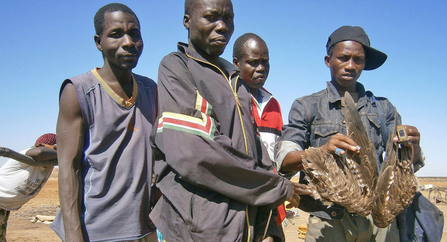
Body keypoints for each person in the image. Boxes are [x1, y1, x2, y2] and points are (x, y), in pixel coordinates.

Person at [149, 0, 308, 241]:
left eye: (229, 18)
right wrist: (276, 187)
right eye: (211, 17)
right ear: (187, 21)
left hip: (247, 230)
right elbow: (195, 154)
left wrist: (270, 229)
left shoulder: (236, 80)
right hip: (201, 232)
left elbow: (259, 157)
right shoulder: (177, 67)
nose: (222, 26)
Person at [276, 26, 425, 242]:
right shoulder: (307, 106)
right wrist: (321, 152)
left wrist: (414, 148)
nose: (351, 66)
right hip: (328, 220)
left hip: (377, 219)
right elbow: (285, 161)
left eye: (358, 60)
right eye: (343, 58)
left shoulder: (384, 109)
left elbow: (406, 167)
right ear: (328, 60)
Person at [50, 3, 157, 242]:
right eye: (116, 34)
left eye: (135, 34)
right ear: (99, 42)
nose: (129, 42)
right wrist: (74, 236)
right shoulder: (78, 91)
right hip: (95, 230)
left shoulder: (151, 90)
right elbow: (69, 168)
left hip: (143, 227)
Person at [232, 33, 287, 228]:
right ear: (236, 63)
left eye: (265, 62)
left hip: (272, 203)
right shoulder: (230, 100)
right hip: (241, 204)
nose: (261, 68)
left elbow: (277, 156)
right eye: (253, 63)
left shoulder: (274, 104)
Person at [0, 133, 57, 241]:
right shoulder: (27, 155)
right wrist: (59, 149)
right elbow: (40, 151)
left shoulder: (49, 165)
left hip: (3, 206)